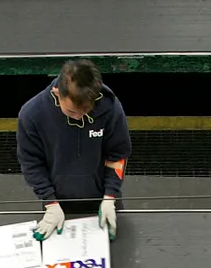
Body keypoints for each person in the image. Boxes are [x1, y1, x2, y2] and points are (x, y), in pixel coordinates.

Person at [17, 59, 132, 241]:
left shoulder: (110, 108)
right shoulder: (32, 115)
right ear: (57, 93)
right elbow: (31, 163)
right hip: (58, 205)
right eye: (71, 113)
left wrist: (110, 196)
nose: (79, 118)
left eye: (86, 111)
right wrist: (50, 202)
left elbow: (117, 155)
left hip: (104, 201)